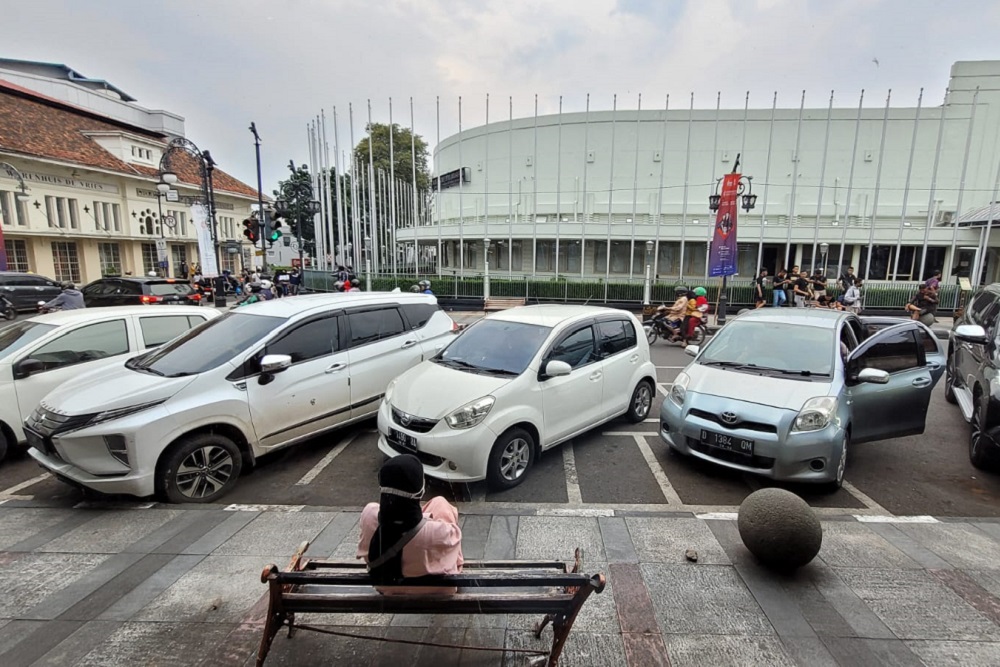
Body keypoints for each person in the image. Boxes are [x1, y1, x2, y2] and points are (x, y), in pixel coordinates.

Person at [357, 454, 463, 592]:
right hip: (436, 591)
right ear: (421, 490)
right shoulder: (442, 533)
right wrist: (427, 520)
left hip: (387, 588)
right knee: (441, 503)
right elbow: (454, 556)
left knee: (438, 504)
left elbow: (368, 552)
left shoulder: (368, 515)